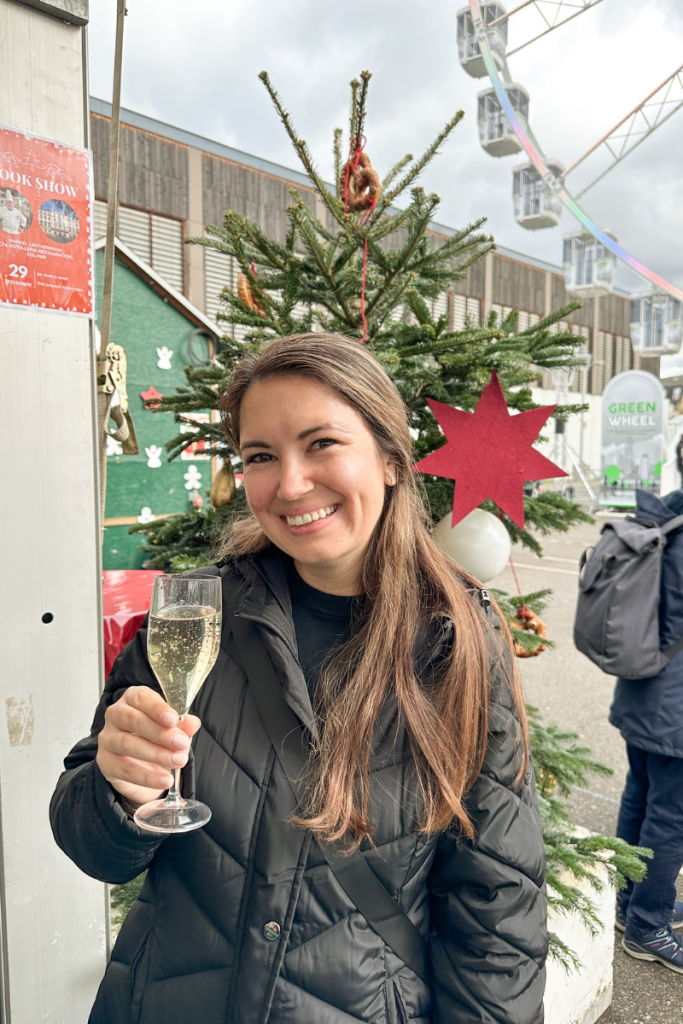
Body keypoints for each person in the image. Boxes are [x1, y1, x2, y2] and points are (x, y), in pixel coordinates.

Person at [51, 334, 547, 1023]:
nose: (288, 484)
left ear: (392, 459)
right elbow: (92, 846)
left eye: (320, 444)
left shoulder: (456, 638)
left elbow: (497, 909)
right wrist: (113, 788)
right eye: (260, 456)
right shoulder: (190, 614)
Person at [611, 487, 683, 974]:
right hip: (676, 703)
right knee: (671, 817)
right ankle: (647, 924)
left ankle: (629, 898)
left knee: (640, 793)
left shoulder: (666, 517)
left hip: (644, 686)